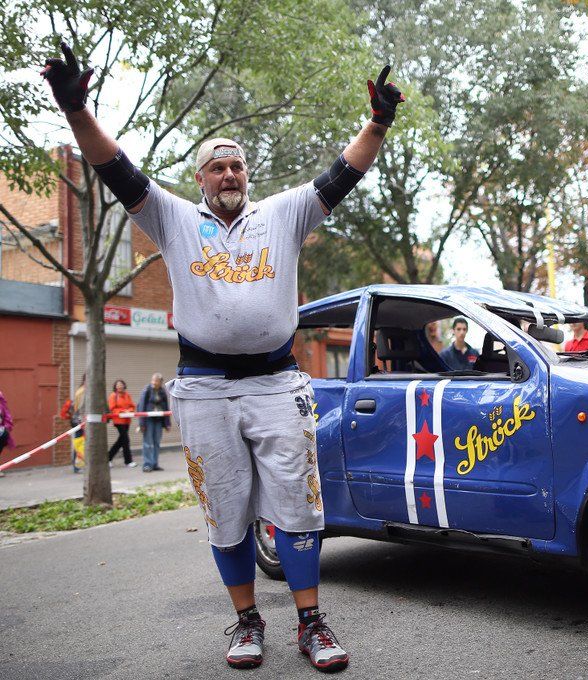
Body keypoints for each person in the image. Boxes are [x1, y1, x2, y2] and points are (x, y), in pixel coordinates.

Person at [42, 41, 403, 671]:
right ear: (201, 178)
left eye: (237, 166)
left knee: (299, 508)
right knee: (226, 514)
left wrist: (376, 123)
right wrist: (77, 111)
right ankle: (247, 621)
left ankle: (311, 622)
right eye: (217, 167)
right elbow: (116, 169)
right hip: (204, 389)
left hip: (277, 385)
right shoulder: (173, 219)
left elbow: (343, 174)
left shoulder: (283, 214)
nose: (229, 174)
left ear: (246, 175)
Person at [138, 373, 170, 472]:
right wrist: (141, 423)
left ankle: (155, 464)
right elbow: (141, 406)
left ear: (160, 382)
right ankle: (147, 464)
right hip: (148, 419)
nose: (154, 382)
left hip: (159, 419)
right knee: (148, 442)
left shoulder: (162, 391)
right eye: (153, 380)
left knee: (157, 442)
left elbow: (166, 407)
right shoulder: (147, 390)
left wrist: (167, 423)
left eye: (156, 381)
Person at [107, 379, 137, 467]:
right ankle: (128, 461)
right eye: (118, 385)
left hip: (127, 420)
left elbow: (132, 406)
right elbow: (112, 408)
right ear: (115, 387)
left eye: (121, 384)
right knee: (125, 440)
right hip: (118, 421)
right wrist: (123, 411)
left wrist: (129, 410)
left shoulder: (127, 395)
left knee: (121, 441)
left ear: (124, 385)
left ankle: (108, 458)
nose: (120, 386)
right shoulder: (113, 395)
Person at [61, 373, 87, 472]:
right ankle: (78, 465)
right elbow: (80, 408)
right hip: (80, 421)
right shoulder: (83, 391)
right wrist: (84, 420)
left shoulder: (81, 390)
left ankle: (79, 465)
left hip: (78, 420)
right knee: (80, 443)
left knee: (80, 442)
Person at [0, 389, 14, 477]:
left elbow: (7, 416)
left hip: (1, 431)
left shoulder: (1, 403)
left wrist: (6, 426)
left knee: (4, 434)